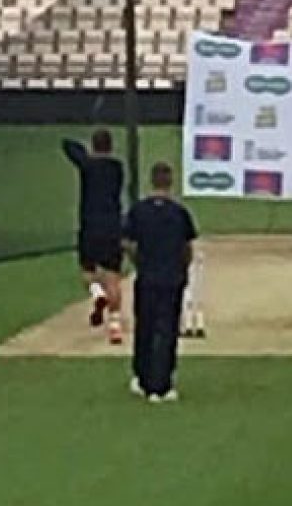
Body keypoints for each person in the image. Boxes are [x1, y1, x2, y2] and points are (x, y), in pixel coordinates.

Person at [123, 162, 198, 404]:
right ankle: (163, 384)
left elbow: (128, 243)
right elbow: (187, 247)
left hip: (147, 277)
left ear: (151, 181)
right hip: (172, 278)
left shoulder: (138, 212)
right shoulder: (179, 213)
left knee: (144, 327)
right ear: (170, 181)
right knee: (167, 330)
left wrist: (140, 262)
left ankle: (143, 379)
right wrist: (181, 268)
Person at [61, 131, 125, 344]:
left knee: (88, 271)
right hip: (113, 227)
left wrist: (83, 150)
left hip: (90, 226)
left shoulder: (88, 166)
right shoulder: (117, 168)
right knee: (114, 276)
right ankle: (115, 324)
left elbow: (67, 145)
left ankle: (97, 294)